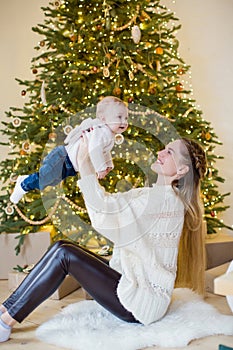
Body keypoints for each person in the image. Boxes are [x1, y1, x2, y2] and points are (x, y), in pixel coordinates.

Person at [0, 136, 207, 342]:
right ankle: (5, 310)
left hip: (139, 305)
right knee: (62, 247)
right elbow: (109, 202)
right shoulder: (154, 195)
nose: (161, 152)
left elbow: (105, 214)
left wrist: (84, 163)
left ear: (182, 171)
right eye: (165, 148)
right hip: (132, 284)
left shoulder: (163, 202)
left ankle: (5, 323)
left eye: (169, 152)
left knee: (64, 255)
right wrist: (92, 168)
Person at [10, 96, 128, 204]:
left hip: (70, 165)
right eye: (119, 117)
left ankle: (25, 179)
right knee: (44, 178)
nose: (124, 122)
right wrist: (101, 168)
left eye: (126, 118)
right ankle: (23, 185)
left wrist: (108, 165)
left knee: (52, 181)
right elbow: (94, 150)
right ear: (103, 119)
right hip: (62, 158)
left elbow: (104, 151)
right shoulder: (101, 131)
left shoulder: (108, 134)